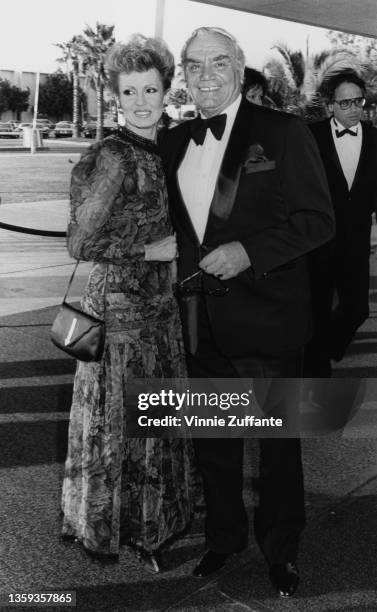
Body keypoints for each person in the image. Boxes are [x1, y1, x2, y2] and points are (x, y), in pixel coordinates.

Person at [159, 26, 334, 597]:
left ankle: (282, 550)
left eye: (218, 63)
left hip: (270, 318)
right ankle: (224, 538)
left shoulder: (282, 132)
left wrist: (249, 252)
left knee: (278, 447)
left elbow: (316, 220)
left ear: (239, 66)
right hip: (200, 319)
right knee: (215, 440)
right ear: (183, 73)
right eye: (194, 65)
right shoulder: (173, 141)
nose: (205, 75)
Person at [61, 35, 195, 573]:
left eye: (152, 89)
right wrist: (148, 248)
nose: (142, 100)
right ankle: (113, 528)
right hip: (116, 319)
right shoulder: (113, 157)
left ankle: (153, 526)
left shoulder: (160, 149)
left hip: (158, 313)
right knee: (120, 424)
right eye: (130, 91)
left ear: (166, 91)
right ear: (115, 95)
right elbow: (79, 244)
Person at [304, 70, 377, 376]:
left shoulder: (374, 137)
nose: (353, 108)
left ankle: (323, 349)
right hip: (318, 239)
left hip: (357, 238)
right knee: (317, 307)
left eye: (358, 101)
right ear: (330, 105)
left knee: (358, 308)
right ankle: (317, 370)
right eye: (345, 103)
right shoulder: (311, 135)